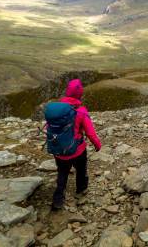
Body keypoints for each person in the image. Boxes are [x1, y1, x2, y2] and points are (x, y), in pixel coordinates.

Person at [50, 79, 101, 211]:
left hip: (59, 150)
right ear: (79, 94)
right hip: (77, 150)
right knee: (81, 169)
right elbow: (90, 133)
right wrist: (97, 145)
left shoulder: (57, 110)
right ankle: (81, 189)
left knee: (62, 173)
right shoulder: (81, 111)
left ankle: (58, 199)